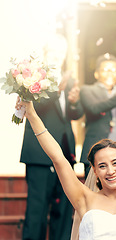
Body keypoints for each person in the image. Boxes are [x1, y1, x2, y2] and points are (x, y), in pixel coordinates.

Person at [17, 94, 116, 239]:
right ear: (95, 171)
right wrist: (31, 115)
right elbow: (58, 158)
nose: (110, 171)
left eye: (115, 163)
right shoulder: (84, 199)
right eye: (102, 166)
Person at [19, 34, 84, 240]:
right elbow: (33, 107)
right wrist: (57, 90)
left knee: (64, 209)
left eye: (61, 53)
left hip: (65, 153)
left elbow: (75, 114)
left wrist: (74, 102)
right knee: (37, 209)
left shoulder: (69, 79)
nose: (58, 56)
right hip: (39, 152)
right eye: (53, 52)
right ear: (46, 54)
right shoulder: (32, 77)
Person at [79, 53, 116, 177]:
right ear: (96, 73)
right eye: (105, 70)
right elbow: (95, 109)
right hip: (95, 151)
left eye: (113, 70)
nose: (110, 73)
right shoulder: (87, 90)